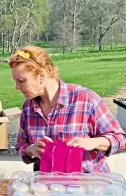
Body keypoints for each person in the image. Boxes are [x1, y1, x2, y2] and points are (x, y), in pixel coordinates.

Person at [8, 45, 126, 173]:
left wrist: (93, 142)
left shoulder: (85, 99)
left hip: (89, 187)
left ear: (41, 76)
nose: (16, 87)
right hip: (46, 188)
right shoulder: (28, 108)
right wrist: (30, 150)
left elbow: (120, 138)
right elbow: (21, 145)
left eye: (21, 80)